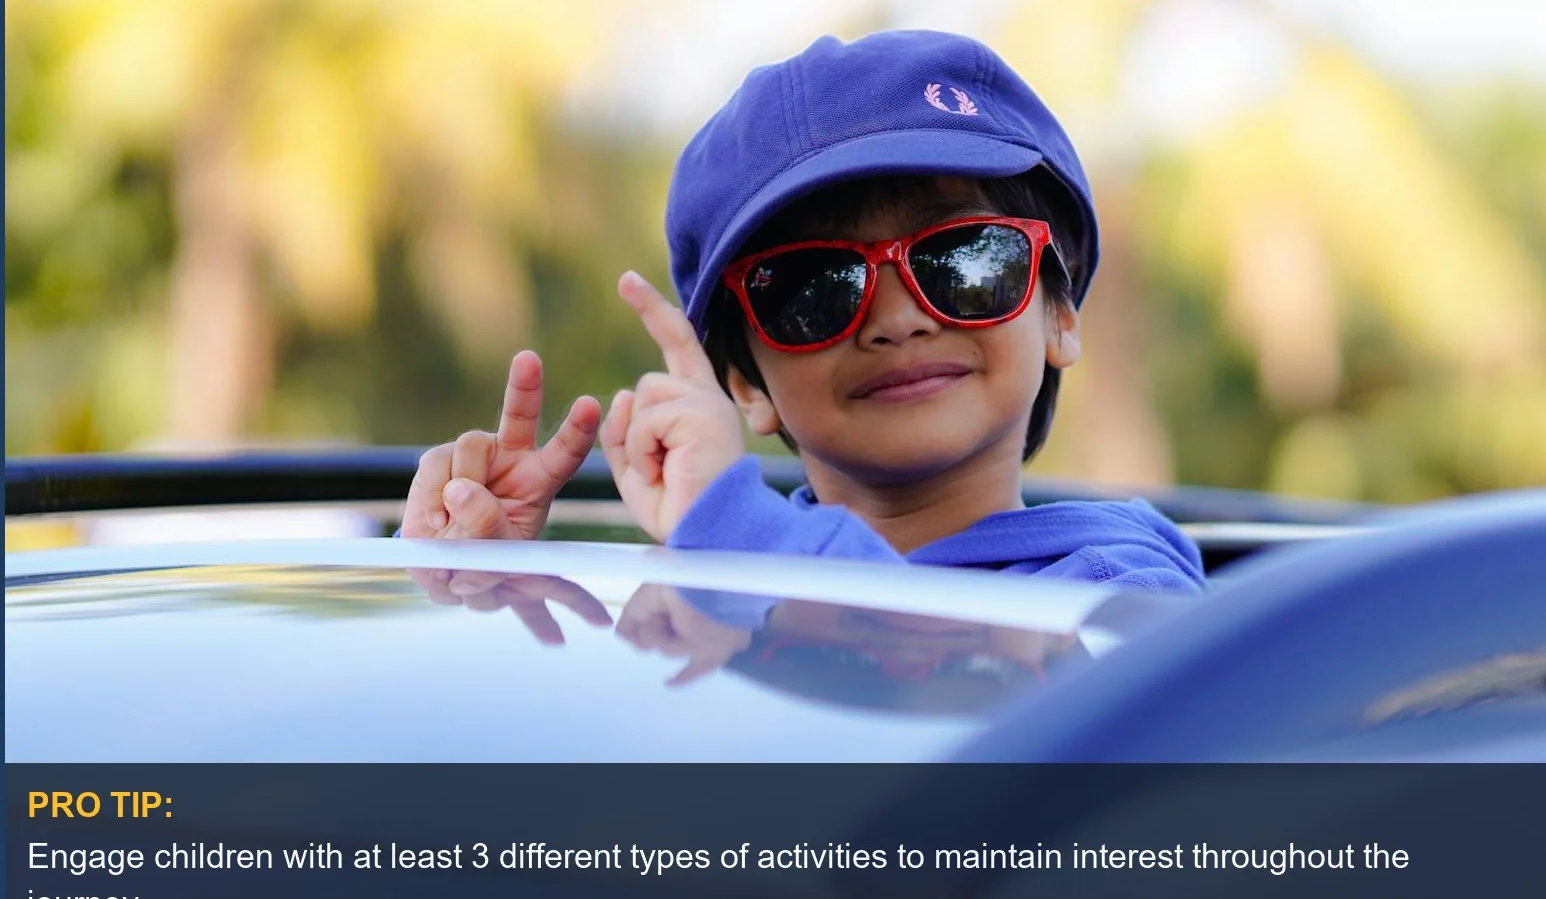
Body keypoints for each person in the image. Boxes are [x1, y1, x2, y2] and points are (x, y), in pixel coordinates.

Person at [401, 30, 1205, 592]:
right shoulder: (701, 588)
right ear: (744, 383)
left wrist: (738, 536)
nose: (897, 320)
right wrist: (488, 593)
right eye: (812, 285)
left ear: (1059, 314)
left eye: (964, 259)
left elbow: (982, 711)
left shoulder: (1119, 585)